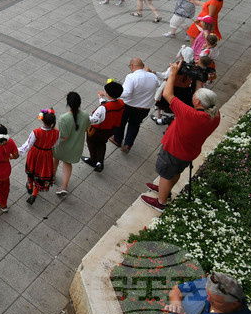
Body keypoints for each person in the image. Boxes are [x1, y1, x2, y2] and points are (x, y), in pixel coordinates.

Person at [141, 63, 221, 211]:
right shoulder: (215, 115)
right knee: (175, 172)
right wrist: (198, 79)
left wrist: (173, 73)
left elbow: (167, 94)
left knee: (165, 174)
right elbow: (199, 95)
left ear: (197, 102)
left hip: (173, 150)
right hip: (189, 152)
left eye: (195, 96)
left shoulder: (189, 114)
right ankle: (165, 191)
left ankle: (161, 202)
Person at [110, 58, 162, 153]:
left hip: (128, 106)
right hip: (144, 108)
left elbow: (126, 93)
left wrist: (113, 94)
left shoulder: (131, 77)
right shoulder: (152, 77)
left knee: (121, 123)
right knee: (134, 125)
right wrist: (150, 72)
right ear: (143, 66)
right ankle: (128, 144)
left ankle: (117, 140)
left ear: (132, 66)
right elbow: (158, 83)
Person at [19, 108, 60, 204]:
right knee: (40, 173)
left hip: (35, 153)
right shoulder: (57, 133)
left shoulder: (36, 132)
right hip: (47, 154)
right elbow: (56, 144)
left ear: (42, 120)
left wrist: (17, 152)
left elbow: (27, 145)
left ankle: (30, 185)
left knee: (31, 170)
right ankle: (34, 193)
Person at [51, 93, 89, 196]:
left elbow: (64, 136)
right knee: (67, 163)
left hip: (63, 146)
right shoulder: (85, 115)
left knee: (55, 158)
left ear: (68, 103)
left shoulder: (64, 118)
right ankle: (64, 186)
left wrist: (53, 127)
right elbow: (86, 128)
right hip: (76, 146)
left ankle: (52, 177)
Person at [83, 80, 125, 173]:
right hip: (110, 130)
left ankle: (93, 160)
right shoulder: (121, 103)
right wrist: (100, 98)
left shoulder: (103, 108)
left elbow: (95, 119)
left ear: (108, 94)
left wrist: (83, 118)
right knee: (102, 144)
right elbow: (109, 104)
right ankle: (100, 163)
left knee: (91, 143)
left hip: (97, 131)